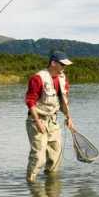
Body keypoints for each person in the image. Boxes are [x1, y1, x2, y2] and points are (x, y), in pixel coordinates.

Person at [25, 51, 74, 183]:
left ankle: (52, 187)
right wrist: (37, 122)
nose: (64, 67)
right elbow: (30, 102)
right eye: (62, 64)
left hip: (53, 121)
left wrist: (69, 118)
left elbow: (64, 100)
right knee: (38, 157)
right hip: (36, 121)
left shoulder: (63, 79)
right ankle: (32, 185)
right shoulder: (37, 78)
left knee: (55, 155)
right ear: (53, 63)